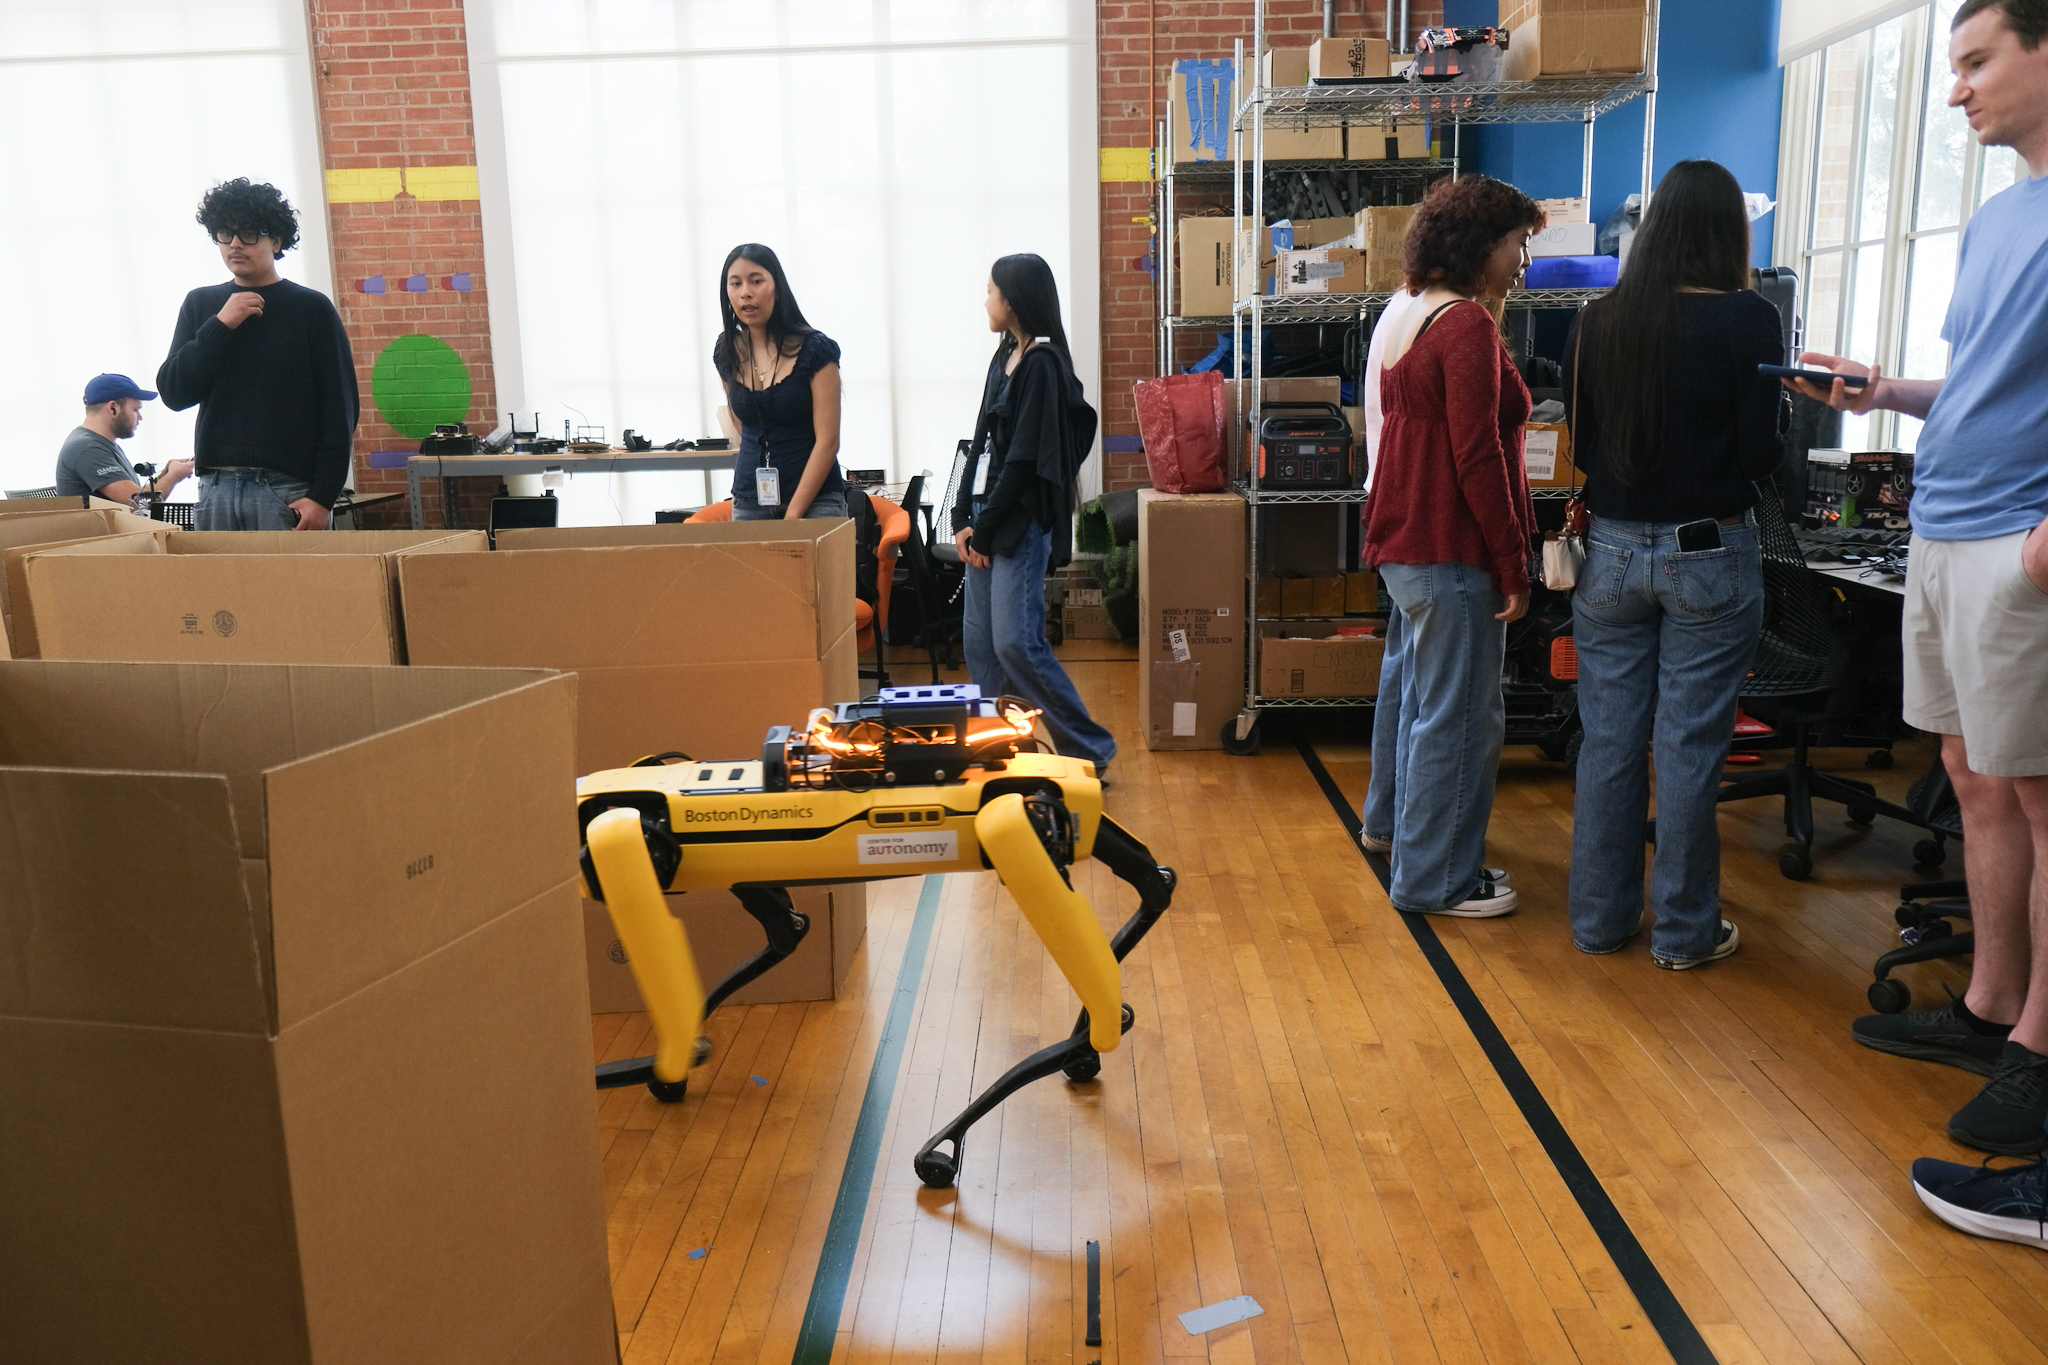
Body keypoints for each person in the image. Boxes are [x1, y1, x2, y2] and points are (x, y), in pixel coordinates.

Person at [1786, 0, 2048, 1241]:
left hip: (2019, 539)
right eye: (1948, 67)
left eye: (1975, 61)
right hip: (1945, 520)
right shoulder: (2001, 218)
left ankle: (2038, 1047)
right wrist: (1886, 389)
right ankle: (1989, 1002)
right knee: (1966, 768)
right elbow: (1989, 377)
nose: (1955, 92)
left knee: (2038, 788)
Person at [1561, 160, 1783, 970]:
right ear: (1729, 233)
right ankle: (1686, 933)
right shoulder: (1751, 320)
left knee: (1609, 742)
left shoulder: (1599, 318)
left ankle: (1598, 921)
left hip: (1611, 554)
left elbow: (1582, 448)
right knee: (1689, 747)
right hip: (1707, 556)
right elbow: (1761, 456)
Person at [1362, 176, 1542, 917]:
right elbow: (1476, 455)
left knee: (1415, 698)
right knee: (1461, 715)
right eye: (1517, 242)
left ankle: (1395, 831)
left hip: (1407, 540)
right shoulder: (1464, 324)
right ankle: (1436, 878)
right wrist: (1513, 560)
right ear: (1481, 245)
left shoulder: (1411, 310)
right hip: (1448, 546)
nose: (1524, 259)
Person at [951, 254, 1117, 777]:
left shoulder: (1043, 366)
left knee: (1016, 643)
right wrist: (962, 513)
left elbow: (1023, 462)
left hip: (1016, 521)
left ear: (1014, 300)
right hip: (986, 513)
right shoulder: (1003, 357)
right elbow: (979, 442)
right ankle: (1002, 747)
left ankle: (1091, 749)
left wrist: (988, 527)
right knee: (981, 645)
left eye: (991, 291)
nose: (986, 301)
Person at [156, 179, 358, 531]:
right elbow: (174, 393)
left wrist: (323, 496)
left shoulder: (311, 309)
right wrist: (220, 325)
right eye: (225, 233)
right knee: (221, 589)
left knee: (294, 588)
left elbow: (340, 408)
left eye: (249, 234)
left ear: (276, 241)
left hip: (286, 489)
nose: (235, 243)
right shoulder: (201, 304)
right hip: (215, 488)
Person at [713, 245, 846, 521]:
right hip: (750, 498)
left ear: (777, 286)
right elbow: (743, 423)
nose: (745, 292)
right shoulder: (727, 350)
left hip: (816, 501)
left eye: (756, 281)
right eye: (735, 283)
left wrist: (792, 517)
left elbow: (829, 441)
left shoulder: (816, 349)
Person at [56, 374, 193, 504]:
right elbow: (138, 502)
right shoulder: (87, 448)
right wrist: (174, 476)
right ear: (113, 408)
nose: (140, 417)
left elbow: (137, 494)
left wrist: (165, 473)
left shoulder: (99, 444)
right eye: (135, 410)